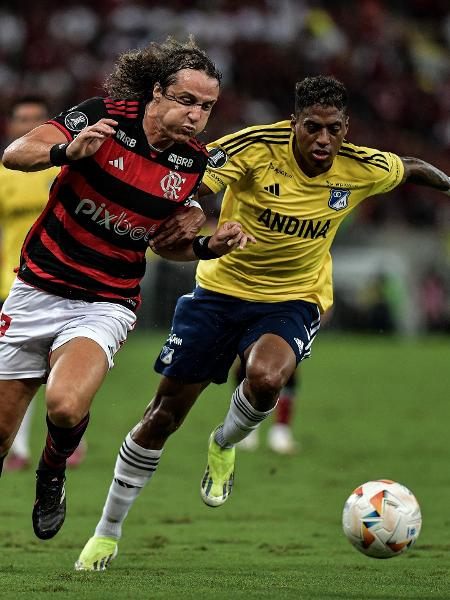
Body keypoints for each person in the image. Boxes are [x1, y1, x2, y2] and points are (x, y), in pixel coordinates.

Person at [76, 74, 450, 571]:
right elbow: (190, 177)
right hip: (219, 292)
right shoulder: (253, 147)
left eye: (333, 130)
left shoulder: (362, 167)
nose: (322, 140)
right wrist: (187, 211)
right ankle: (107, 531)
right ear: (293, 123)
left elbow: (413, 167)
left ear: (346, 128)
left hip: (293, 299)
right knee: (162, 417)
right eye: (311, 128)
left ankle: (224, 443)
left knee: (268, 376)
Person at [0, 37, 253, 542]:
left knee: (66, 406)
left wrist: (206, 247)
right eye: (186, 100)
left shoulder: (190, 167)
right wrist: (63, 151)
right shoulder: (104, 118)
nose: (196, 115)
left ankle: (52, 472)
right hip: (35, 288)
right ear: (156, 92)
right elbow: (14, 154)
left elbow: (164, 245)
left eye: (206, 107)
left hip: (104, 301)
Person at [0, 96, 87, 472]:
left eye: (37, 118)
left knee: (68, 366)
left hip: (64, 279)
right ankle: (17, 447)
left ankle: (69, 437)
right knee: (17, 369)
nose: (29, 123)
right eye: (23, 118)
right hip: (11, 280)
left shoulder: (69, 170)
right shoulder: (4, 176)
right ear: (11, 127)